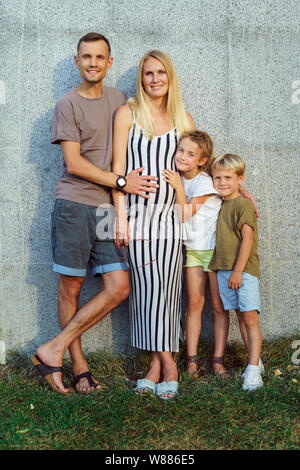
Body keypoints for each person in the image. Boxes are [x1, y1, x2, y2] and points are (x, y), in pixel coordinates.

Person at [31, 33, 158, 396]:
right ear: (77, 61)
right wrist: (121, 180)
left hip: (109, 209)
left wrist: (221, 186)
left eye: (99, 57)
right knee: (70, 286)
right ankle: (79, 367)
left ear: (109, 63)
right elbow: (73, 163)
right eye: (86, 57)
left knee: (119, 287)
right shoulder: (67, 104)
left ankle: (51, 349)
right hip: (74, 205)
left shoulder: (121, 101)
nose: (93, 63)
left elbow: (169, 135)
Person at [113, 50, 195, 399]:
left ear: (170, 77)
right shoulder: (127, 114)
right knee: (148, 290)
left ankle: (156, 367)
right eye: (148, 73)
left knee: (169, 291)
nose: (155, 79)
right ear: (141, 79)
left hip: (172, 220)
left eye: (161, 72)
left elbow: (198, 168)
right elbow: (117, 169)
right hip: (139, 218)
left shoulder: (183, 118)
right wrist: (120, 217)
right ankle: (167, 362)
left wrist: (237, 189)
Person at [162, 130, 231, 379]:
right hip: (193, 251)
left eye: (191, 154)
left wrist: (179, 188)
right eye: (181, 150)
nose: (183, 156)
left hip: (213, 252)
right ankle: (191, 360)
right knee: (194, 304)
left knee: (218, 306)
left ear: (202, 161)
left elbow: (184, 214)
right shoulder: (178, 176)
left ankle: (218, 360)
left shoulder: (204, 182)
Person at [208, 153, 264, 391]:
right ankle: (256, 361)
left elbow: (247, 240)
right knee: (241, 317)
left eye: (228, 177)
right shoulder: (220, 203)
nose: (222, 182)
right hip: (224, 270)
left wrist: (238, 272)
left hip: (243, 272)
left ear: (240, 178)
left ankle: (253, 371)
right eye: (217, 177)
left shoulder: (243, 204)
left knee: (250, 318)